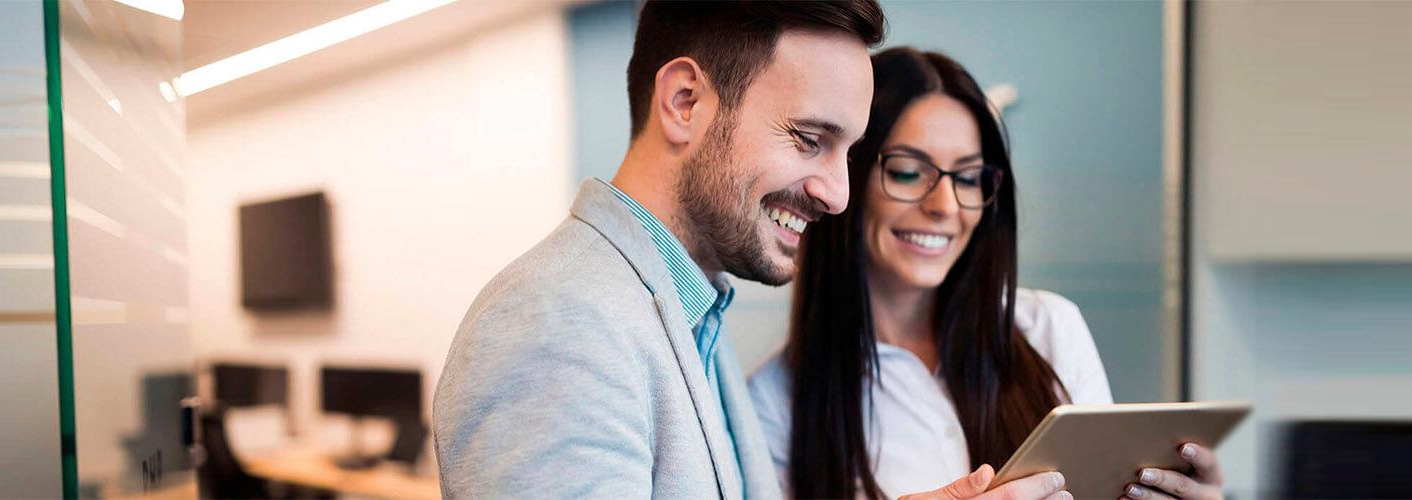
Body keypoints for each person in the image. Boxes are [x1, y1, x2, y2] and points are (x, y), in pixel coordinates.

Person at [432, 1, 883, 497]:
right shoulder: (554, 322)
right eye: (809, 138)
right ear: (684, 102)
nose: (839, 195)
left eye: (849, 152)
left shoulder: (691, 307)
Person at [747, 48, 1226, 500]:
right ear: (846, 177)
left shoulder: (1049, 327)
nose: (945, 206)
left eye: (969, 177)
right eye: (909, 172)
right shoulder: (774, 400)